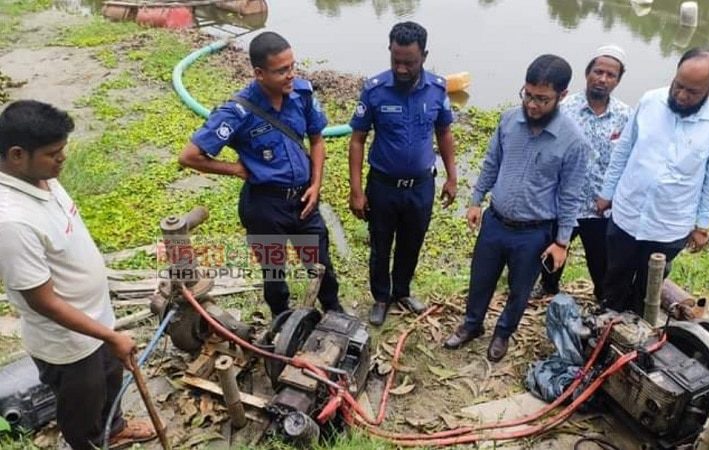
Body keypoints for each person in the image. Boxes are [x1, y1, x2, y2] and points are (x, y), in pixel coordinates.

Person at [0, 100, 156, 449]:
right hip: (67, 342)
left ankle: (113, 429)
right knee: (80, 409)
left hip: (95, 321)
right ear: (16, 155)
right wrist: (110, 336)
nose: (63, 158)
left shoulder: (41, 178)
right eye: (54, 153)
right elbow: (44, 303)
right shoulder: (11, 221)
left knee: (109, 380)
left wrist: (107, 332)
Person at [179, 31, 342, 318]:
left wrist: (316, 184)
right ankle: (281, 318)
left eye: (292, 66)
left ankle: (333, 308)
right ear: (259, 73)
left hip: (304, 199)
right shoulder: (238, 112)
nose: (291, 74)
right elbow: (189, 156)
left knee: (320, 260)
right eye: (282, 71)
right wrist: (235, 169)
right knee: (274, 272)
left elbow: (317, 140)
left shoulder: (301, 95)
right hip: (265, 207)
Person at [444, 55, 589, 362]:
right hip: (495, 222)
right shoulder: (509, 120)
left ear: (562, 96)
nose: (533, 105)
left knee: (519, 289)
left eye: (542, 99)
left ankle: (503, 333)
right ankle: (472, 325)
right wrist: (475, 200)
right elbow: (491, 163)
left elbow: (570, 195)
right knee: (480, 278)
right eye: (528, 95)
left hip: (534, 232)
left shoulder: (572, 141)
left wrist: (562, 241)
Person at [596, 48, 709, 315]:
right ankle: (605, 324)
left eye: (692, 92)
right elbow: (625, 149)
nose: (681, 96)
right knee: (614, 275)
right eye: (678, 86)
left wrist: (702, 225)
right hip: (626, 213)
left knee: (649, 287)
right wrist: (607, 192)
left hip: (669, 225)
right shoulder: (650, 101)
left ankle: (637, 334)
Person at [348, 21, 458, 326]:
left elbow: (445, 132)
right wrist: (356, 190)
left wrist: (452, 176)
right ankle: (381, 298)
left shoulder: (437, 89)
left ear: (424, 55)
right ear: (390, 52)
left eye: (409, 62)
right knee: (380, 244)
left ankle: (402, 292)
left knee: (412, 243)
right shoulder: (374, 90)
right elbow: (357, 140)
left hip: (421, 187)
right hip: (383, 187)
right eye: (396, 60)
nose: (401, 68)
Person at [533, 45, 632, 301]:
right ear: (587, 73)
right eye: (598, 71)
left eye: (611, 75)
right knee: (552, 254)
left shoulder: (625, 116)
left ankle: (603, 298)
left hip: (600, 207)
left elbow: (626, 161)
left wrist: (611, 195)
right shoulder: (563, 108)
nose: (603, 79)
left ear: (618, 81)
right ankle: (548, 289)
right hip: (561, 203)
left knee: (601, 262)